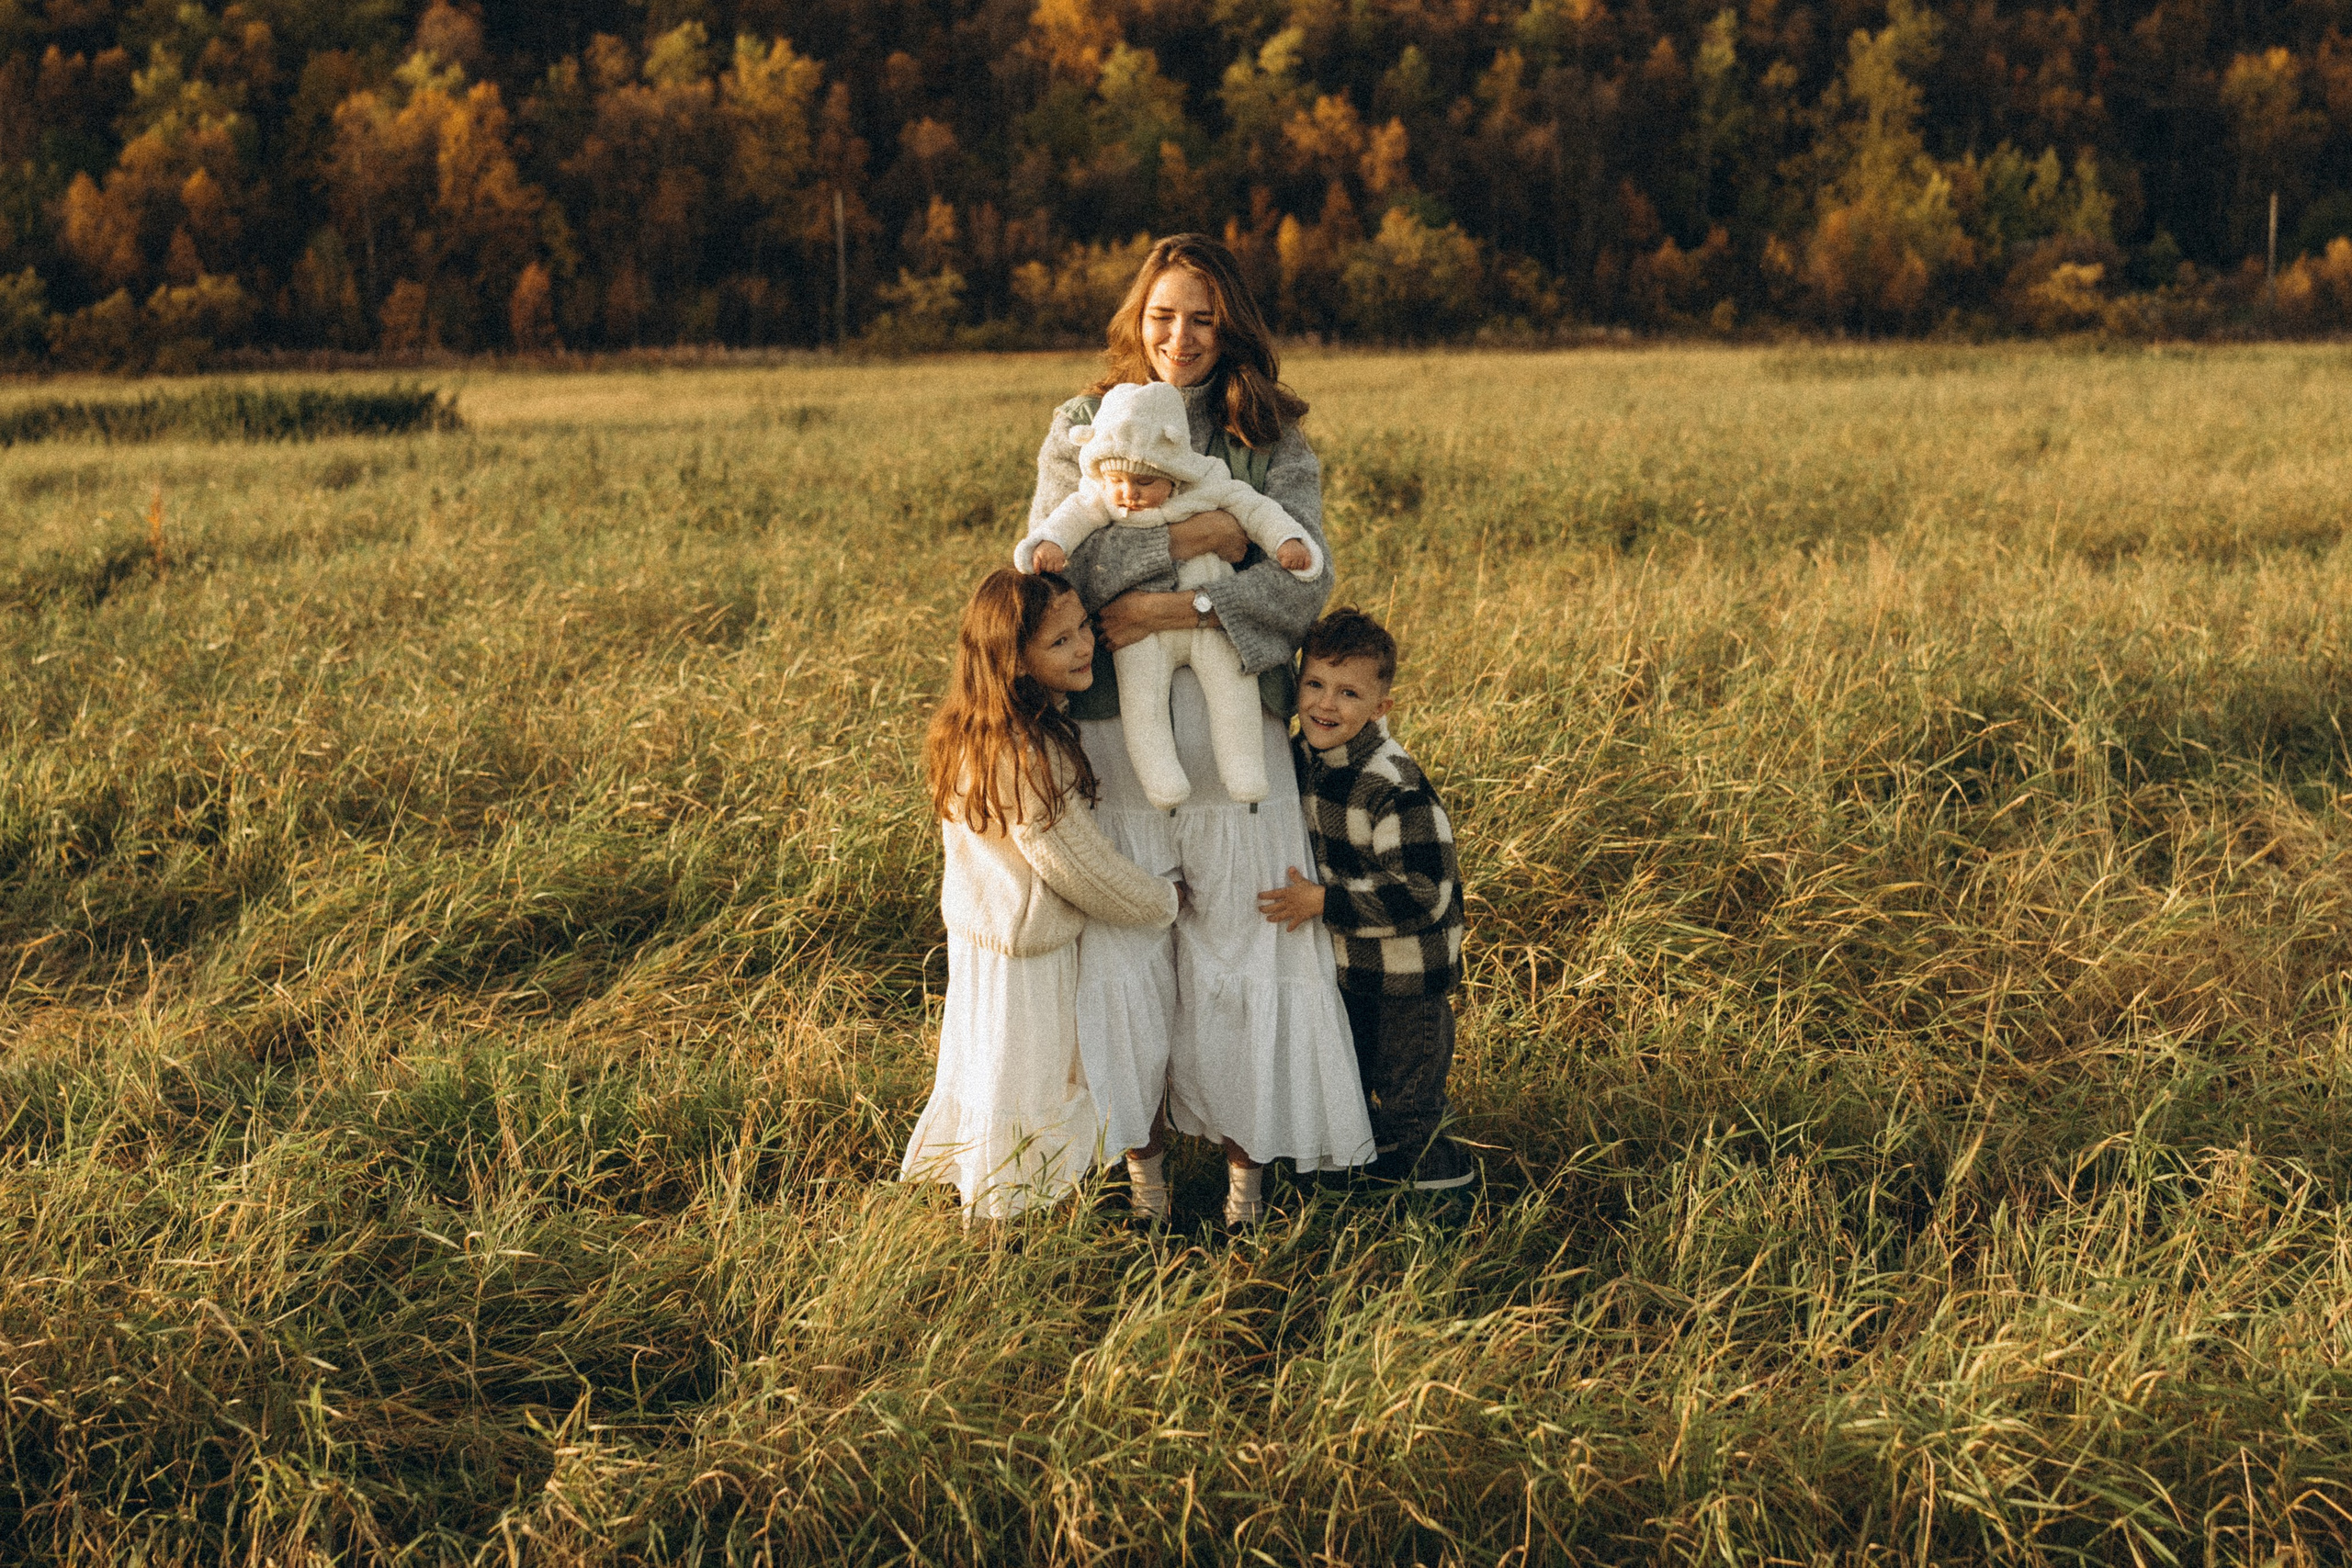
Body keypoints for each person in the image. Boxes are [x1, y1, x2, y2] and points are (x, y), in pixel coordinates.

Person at [1029, 232, 1373, 1227]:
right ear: (1137, 318)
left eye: (1203, 318)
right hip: (1112, 742)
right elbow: (1055, 579)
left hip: (1240, 754)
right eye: (1162, 314)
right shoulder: (1080, 424)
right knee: (1125, 957)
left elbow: (1304, 582)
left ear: (1233, 329)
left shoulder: (1269, 435)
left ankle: (1243, 1183)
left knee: (1240, 954)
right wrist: (1197, 537)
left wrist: (1164, 611)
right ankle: (1139, 1180)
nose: (1179, 336)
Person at [900, 568, 1182, 1220]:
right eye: (1060, 642)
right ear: (1016, 663)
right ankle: (1006, 1218)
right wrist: (1161, 901)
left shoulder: (970, 729)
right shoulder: (1027, 752)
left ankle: (993, 1205)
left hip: (982, 942)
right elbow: (1076, 866)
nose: (1084, 646)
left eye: (1083, 627)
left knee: (991, 1076)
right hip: (1028, 954)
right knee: (1027, 1088)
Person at [1017, 379, 1321, 813]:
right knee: (1143, 701)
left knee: (1232, 688)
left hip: (1211, 628)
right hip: (1137, 638)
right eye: (1118, 480)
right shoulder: (1104, 488)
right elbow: (1071, 524)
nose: (1127, 494)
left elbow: (1258, 511)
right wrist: (1051, 544)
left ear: (1172, 472)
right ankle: (1161, 780)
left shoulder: (1209, 481)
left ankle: (1245, 771)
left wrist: (1287, 540)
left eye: (1143, 482)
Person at [1257, 609, 1474, 1190]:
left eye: (1349, 693)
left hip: (1409, 984)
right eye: (1315, 685)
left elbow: (1424, 894)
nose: (1326, 705)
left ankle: (1443, 1201)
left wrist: (1324, 904)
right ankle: (1366, 1191)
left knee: (1410, 1108)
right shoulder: (1300, 761)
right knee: (1348, 1089)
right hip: (1350, 972)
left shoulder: (1392, 784)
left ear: (1381, 706)